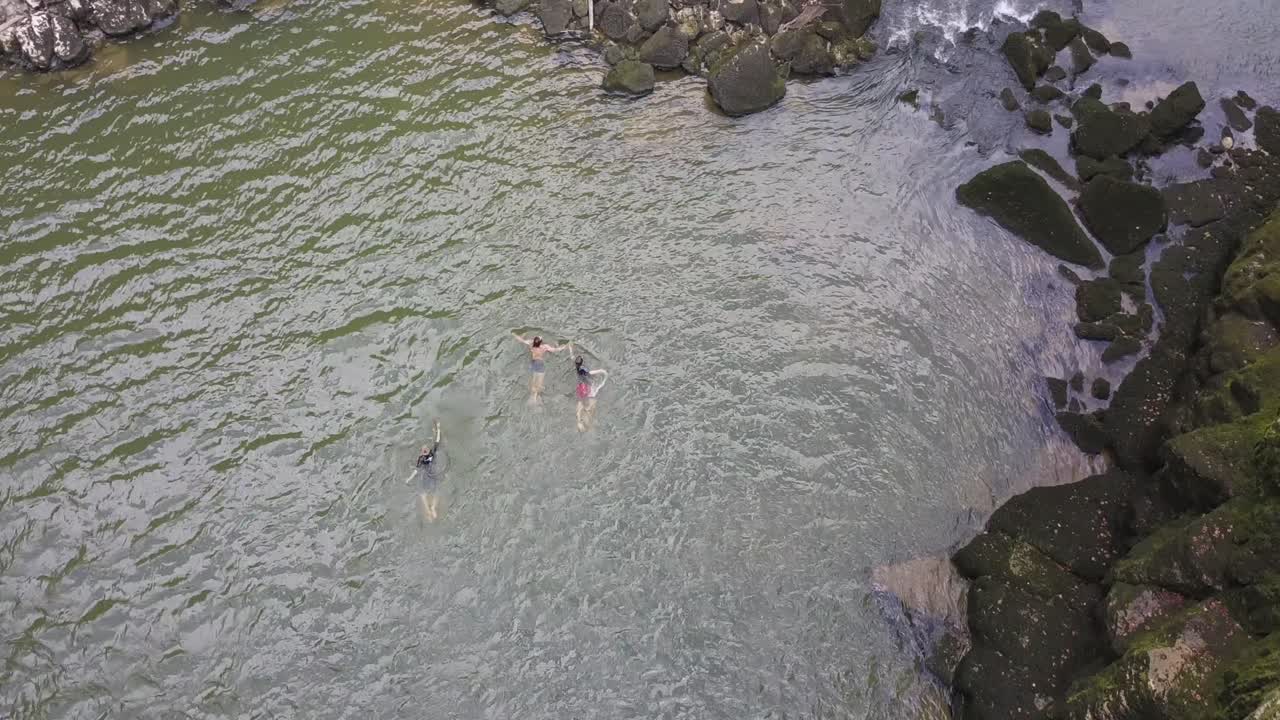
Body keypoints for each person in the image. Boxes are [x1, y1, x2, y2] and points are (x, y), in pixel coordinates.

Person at [511, 332, 567, 403]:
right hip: (540, 364)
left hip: (533, 363)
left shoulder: (531, 344)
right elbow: (555, 350)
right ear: (540, 343)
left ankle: (532, 395)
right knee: (540, 382)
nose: (540, 337)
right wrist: (564, 346)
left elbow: (521, 340)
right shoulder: (544, 347)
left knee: (534, 380)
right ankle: (535, 397)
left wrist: (514, 334)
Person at [571, 348, 608, 432]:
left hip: (579, 387)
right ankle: (588, 423)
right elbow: (590, 375)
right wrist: (598, 373)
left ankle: (579, 421)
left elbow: (572, 357)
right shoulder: (583, 369)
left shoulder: (577, 367)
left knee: (580, 402)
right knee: (590, 404)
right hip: (585, 387)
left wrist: (570, 348)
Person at [412, 420, 442, 521]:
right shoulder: (433, 453)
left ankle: (427, 510)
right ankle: (433, 507)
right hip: (434, 474)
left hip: (426, 476)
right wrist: (438, 429)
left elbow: (416, 470)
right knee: (436, 492)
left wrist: (409, 478)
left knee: (423, 494)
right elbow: (437, 440)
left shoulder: (421, 459)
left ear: (422, 453)